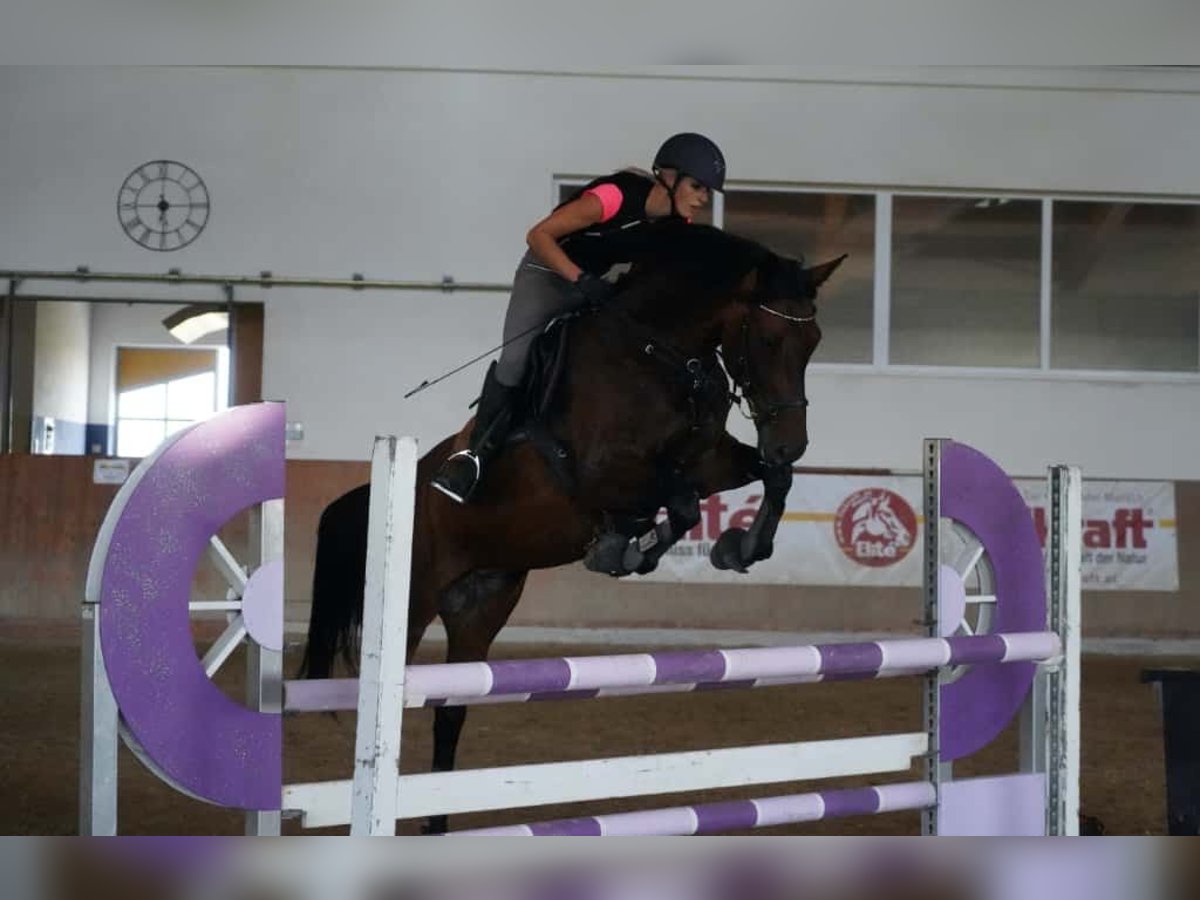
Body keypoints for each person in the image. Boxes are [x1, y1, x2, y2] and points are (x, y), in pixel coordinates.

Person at [431, 132, 726, 504]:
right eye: (698, 187)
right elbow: (537, 235)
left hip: (597, 283)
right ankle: (469, 458)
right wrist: (580, 280)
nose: (703, 198)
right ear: (669, 177)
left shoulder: (675, 229)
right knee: (516, 359)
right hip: (546, 274)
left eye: (707, 192)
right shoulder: (614, 196)